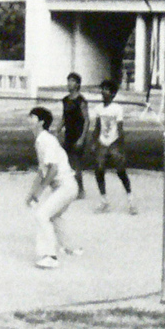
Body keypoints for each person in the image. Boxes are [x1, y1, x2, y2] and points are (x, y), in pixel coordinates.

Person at [24, 106, 79, 269]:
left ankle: (50, 256)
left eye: (32, 117)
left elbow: (53, 169)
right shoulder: (41, 140)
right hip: (66, 186)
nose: (29, 119)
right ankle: (70, 248)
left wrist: (39, 192)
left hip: (66, 186)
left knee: (42, 215)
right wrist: (32, 194)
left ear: (41, 122)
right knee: (54, 216)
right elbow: (42, 172)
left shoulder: (46, 140)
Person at [89, 79, 135, 214]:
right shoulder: (98, 109)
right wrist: (93, 142)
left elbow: (120, 128)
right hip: (103, 142)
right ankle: (104, 201)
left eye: (107, 90)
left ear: (113, 94)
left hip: (114, 142)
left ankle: (131, 199)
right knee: (99, 170)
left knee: (121, 171)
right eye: (102, 89)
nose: (104, 92)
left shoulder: (117, 109)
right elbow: (97, 127)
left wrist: (121, 146)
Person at [60, 72, 89, 197]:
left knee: (76, 163)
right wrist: (57, 128)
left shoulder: (81, 101)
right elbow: (64, 117)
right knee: (66, 163)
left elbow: (87, 120)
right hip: (68, 134)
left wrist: (82, 138)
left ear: (77, 84)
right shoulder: (65, 100)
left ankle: (81, 190)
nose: (69, 84)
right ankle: (69, 187)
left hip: (78, 134)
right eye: (68, 81)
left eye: (72, 81)